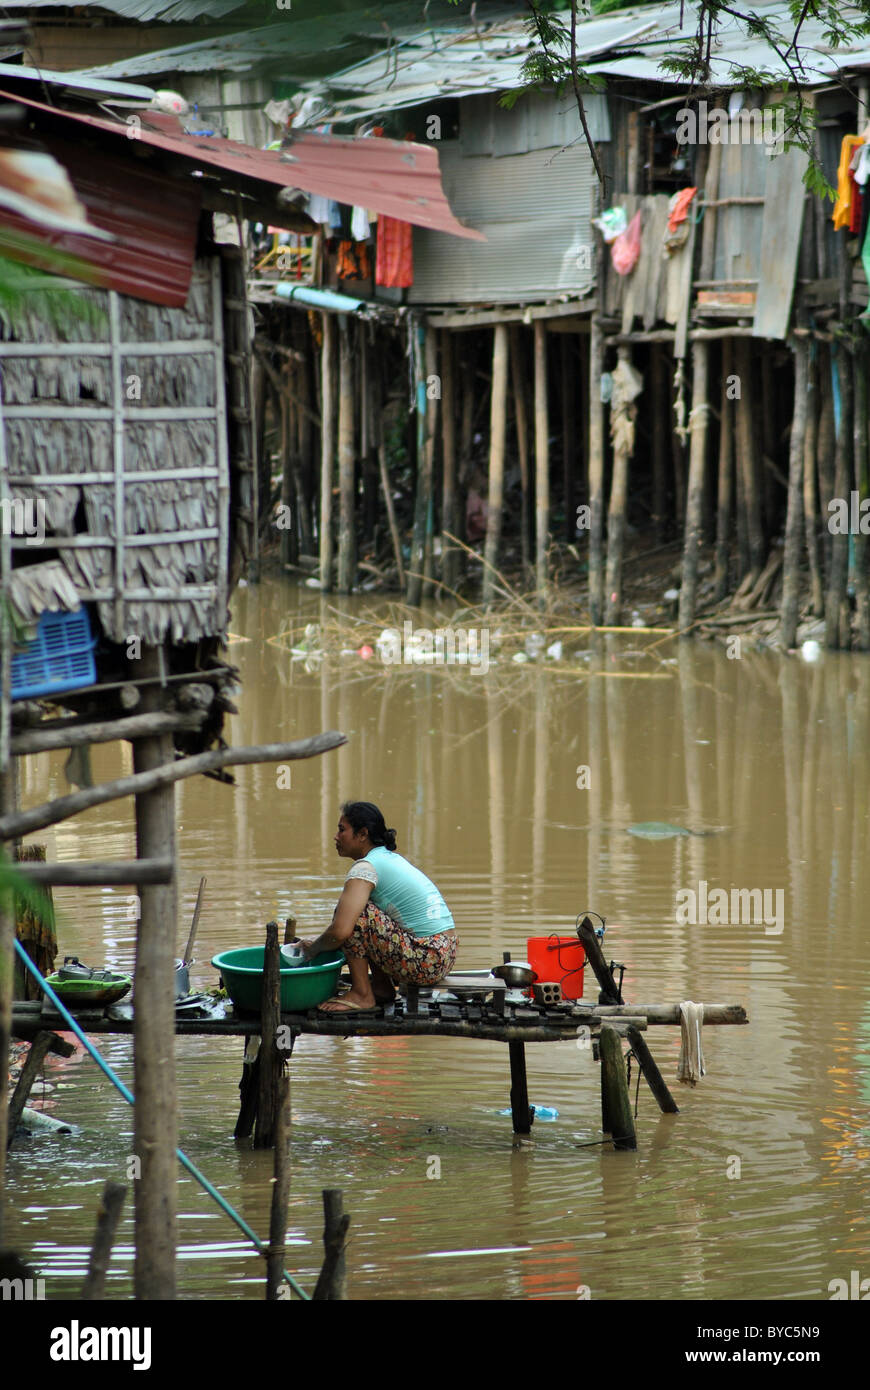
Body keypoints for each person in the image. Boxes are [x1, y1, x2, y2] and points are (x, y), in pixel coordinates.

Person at [301, 801, 457, 1014]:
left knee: (355, 914)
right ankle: (381, 988)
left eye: (342, 830)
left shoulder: (366, 867)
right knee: (359, 910)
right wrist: (319, 943)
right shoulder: (386, 858)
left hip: (427, 958)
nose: (336, 837)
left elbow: (340, 931)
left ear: (362, 834)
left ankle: (362, 994)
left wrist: (313, 950)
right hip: (444, 954)